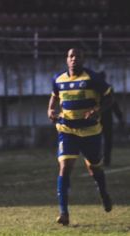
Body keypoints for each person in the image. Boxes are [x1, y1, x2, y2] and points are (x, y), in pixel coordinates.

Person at [48, 48, 113, 226]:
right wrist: (50, 110)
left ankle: (103, 192)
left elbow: (109, 97)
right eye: (70, 56)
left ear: (83, 59)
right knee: (64, 167)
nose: (74, 59)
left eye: (77, 56)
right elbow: (54, 98)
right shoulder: (58, 80)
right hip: (67, 130)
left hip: (91, 132)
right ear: (66, 59)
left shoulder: (92, 78)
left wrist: (97, 110)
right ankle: (64, 213)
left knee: (94, 169)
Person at [98, 73, 124, 166]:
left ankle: (102, 159)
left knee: (99, 140)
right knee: (106, 140)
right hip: (104, 118)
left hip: (99, 118)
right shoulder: (105, 88)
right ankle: (105, 160)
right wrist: (119, 116)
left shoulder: (100, 88)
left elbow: (113, 102)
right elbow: (114, 103)